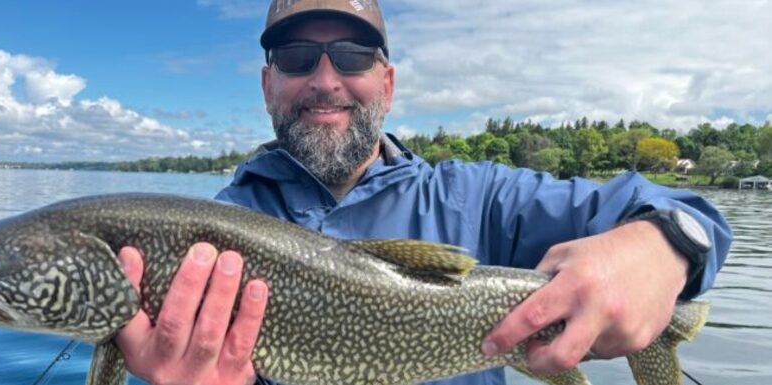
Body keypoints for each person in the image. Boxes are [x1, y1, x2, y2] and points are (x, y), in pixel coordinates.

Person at [113, 1, 733, 384]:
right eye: (298, 57)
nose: (325, 80)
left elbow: (691, 213)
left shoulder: (479, 196)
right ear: (268, 84)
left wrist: (661, 246)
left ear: (387, 82)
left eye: (352, 56)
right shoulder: (209, 237)